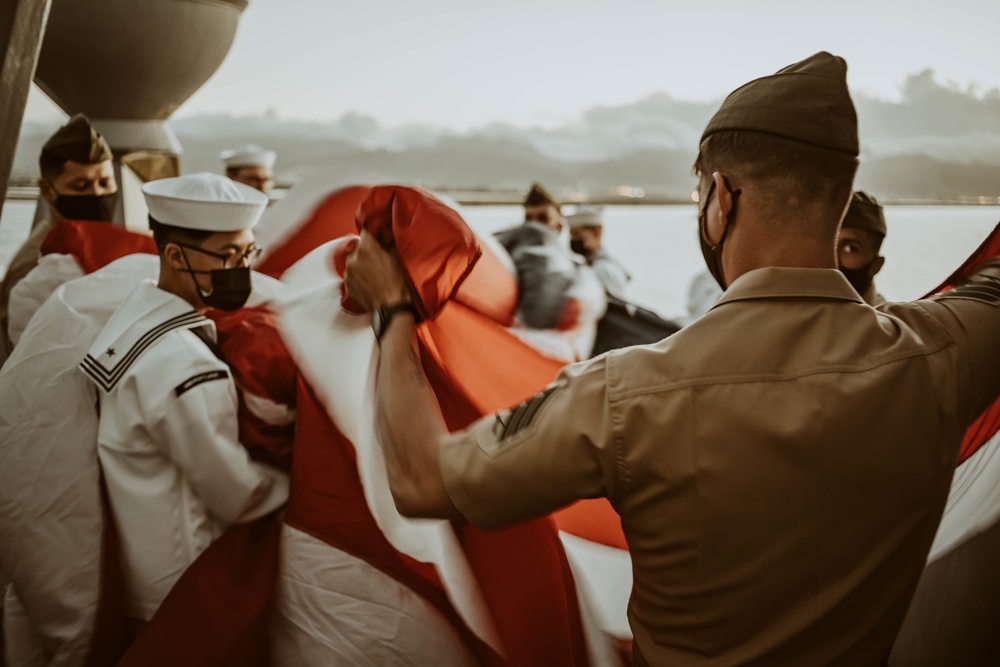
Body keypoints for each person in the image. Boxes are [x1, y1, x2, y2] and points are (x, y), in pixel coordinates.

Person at [345, 51, 1000, 666]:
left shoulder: (627, 393)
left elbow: (423, 480)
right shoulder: (942, 353)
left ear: (721, 198)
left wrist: (394, 310)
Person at [78, 173, 289, 624]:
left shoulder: (134, 321)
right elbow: (235, 495)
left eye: (248, 251)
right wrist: (299, 487)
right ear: (174, 255)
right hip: (186, 588)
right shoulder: (188, 365)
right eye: (228, 254)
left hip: (142, 571)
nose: (242, 267)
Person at [0, 113, 117, 354]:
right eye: (80, 186)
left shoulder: (102, 246)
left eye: (105, 183)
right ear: (47, 190)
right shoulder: (34, 265)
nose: (97, 195)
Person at [567, 206, 631, 300]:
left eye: (577, 234)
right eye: (571, 235)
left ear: (596, 233)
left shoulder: (601, 269)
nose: (573, 239)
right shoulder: (597, 264)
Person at [838, 191, 887, 306]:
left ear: (876, 265)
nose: (831, 258)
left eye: (850, 249)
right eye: (828, 244)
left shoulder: (884, 321)